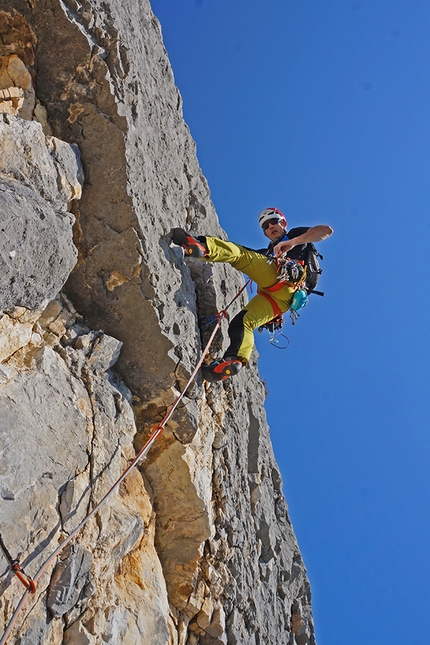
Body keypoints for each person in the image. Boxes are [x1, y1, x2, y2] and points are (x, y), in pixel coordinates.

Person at [171, 208, 333, 382]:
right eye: (265, 226)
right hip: (281, 300)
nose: (270, 226)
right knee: (243, 322)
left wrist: (294, 242)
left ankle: (203, 247)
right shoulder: (267, 252)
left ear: (283, 223)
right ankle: (234, 360)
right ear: (264, 233)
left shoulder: (295, 235)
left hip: (287, 280)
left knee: (240, 255)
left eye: (274, 222)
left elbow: (326, 231)